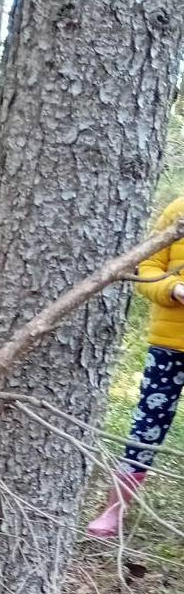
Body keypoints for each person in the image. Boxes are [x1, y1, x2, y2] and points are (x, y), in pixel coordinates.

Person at [88, 196, 184, 538]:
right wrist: (174, 289)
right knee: (146, 429)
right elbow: (147, 268)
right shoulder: (178, 210)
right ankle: (113, 511)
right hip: (169, 345)